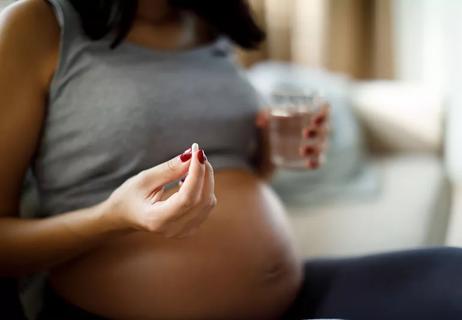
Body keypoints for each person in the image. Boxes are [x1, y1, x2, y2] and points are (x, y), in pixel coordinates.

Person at [0, 1, 461, 319]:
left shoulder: (209, 26)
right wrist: (113, 218)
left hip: (288, 300)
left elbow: (233, 173)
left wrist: (272, 156)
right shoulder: (38, 25)